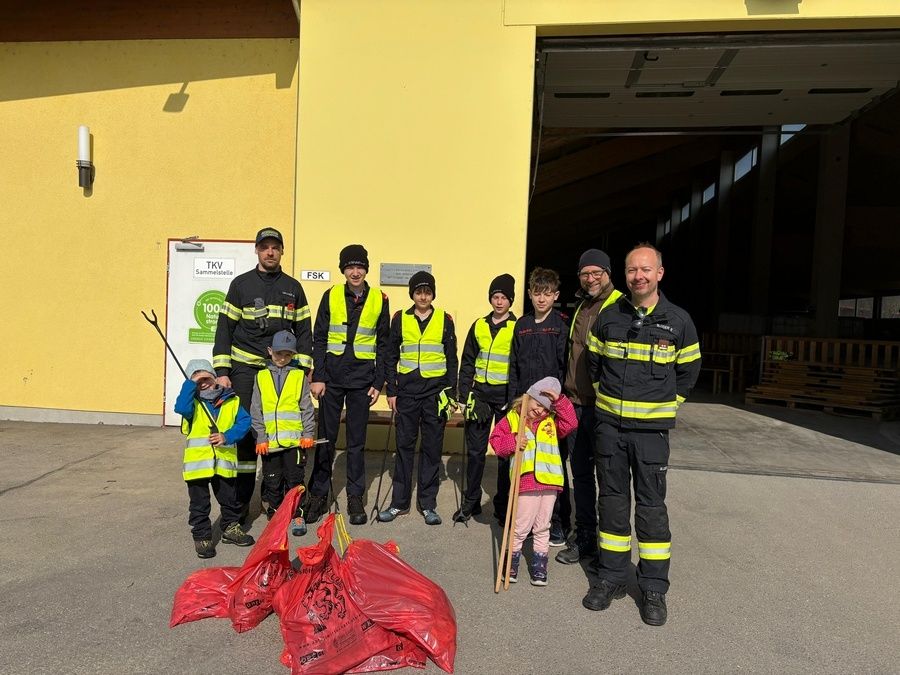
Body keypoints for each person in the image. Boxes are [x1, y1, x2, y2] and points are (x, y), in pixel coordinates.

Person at [583, 243, 701, 627]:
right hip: (611, 430)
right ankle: (612, 577)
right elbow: (595, 364)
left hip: (651, 434)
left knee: (651, 512)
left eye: (646, 270)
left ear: (660, 274)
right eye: (633, 270)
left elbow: (689, 372)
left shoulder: (679, 321)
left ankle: (652, 588)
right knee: (612, 505)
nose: (639, 276)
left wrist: (667, 404)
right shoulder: (608, 317)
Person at [212, 227, 313, 520]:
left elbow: (304, 330)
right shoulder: (241, 285)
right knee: (247, 436)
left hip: (281, 371)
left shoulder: (293, 287)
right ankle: (241, 506)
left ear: (282, 251)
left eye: (275, 247)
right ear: (256, 250)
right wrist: (222, 370)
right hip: (245, 369)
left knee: (281, 432)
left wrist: (303, 367)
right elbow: (224, 329)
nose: (270, 252)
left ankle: (279, 499)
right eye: (265, 247)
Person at [305, 244, 390, 526]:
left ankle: (355, 496)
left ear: (366, 269)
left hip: (362, 381)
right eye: (350, 267)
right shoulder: (330, 296)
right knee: (326, 440)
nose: (355, 272)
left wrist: (379, 383)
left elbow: (384, 344)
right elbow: (319, 337)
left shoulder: (380, 299)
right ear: (343, 270)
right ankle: (317, 494)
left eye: (360, 267)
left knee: (356, 444)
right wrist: (317, 376)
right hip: (331, 379)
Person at [556, 249, 622, 565]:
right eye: (585, 273)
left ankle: (609, 550)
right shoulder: (582, 306)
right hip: (575, 404)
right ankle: (585, 539)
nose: (591, 278)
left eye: (597, 272)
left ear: (608, 273)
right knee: (581, 475)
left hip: (605, 408)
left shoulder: (621, 305)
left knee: (609, 480)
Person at [379, 270, 458, 526]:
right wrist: (391, 390)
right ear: (412, 294)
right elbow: (391, 357)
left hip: (435, 395)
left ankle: (428, 504)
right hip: (407, 393)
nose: (423, 296)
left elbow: (451, 358)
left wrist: (450, 392)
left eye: (427, 291)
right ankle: (399, 503)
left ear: (433, 294)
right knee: (403, 448)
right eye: (418, 291)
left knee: (432, 450)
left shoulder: (445, 320)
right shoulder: (400, 319)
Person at [489, 377, 577, 585]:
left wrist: (559, 401)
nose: (540, 411)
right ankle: (511, 564)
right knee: (520, 526)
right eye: (538, 405)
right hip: (526, 482)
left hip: (549, 483)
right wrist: (514, 441)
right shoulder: (512, 419)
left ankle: (539, 567)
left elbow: (571, 423)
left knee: (542, 526)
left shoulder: (552, 422)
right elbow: (497, 443)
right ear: (527, 399)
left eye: (546, 409)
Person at [505, 267, 568, 531]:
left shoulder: (560, 325)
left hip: (549, 410)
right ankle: (522, 520)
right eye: (537, 294)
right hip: (524, 405)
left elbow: (564, 367)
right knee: (523, 461)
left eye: (547, 294)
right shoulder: (522, 325)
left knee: (552, 463)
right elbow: (514, 365)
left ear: (555, 296)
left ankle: (555, 522)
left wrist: (558, 404)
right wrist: (513, 402)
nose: (541, 299)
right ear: (530, 295)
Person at [174, 359, 255, 559]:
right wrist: (190, 384)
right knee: (199, 504)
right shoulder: (192, 403)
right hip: (198, 465)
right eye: (197, 379)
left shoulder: (232, 400)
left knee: (230, 499)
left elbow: (244, 422)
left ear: (214, 376)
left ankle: (230, 528)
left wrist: (227, 436)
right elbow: (181, 408)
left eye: (206, 376)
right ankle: (202, 536)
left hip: (224, 463)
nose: (203, 382)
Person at [454, 273, 516, 523]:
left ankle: (502, 507)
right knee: (476, 453)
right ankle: (471, 503)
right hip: (479, 396)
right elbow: (467, 361)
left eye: (503, 297)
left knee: (503, 455)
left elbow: (517, 366)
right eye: (495, 297)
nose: (499, 302)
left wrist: (512, 399)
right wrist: (465, 393)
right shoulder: (479, 325)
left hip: (504, 398)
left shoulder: (517, 327)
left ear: (510, 300)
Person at [249, 330, 316, 536]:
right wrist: (260, 436)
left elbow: (306, 407)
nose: (282, 359)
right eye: (279, 354)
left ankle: (297, 515)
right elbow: (256, 410)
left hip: (294, 443)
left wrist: (308, 434)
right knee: (272, 481)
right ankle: (277, 514)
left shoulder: (298, 376)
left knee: (295, 480)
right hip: (270, 444)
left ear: (293, 356)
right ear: (270, 351)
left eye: (288, 355)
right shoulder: (260, 377)